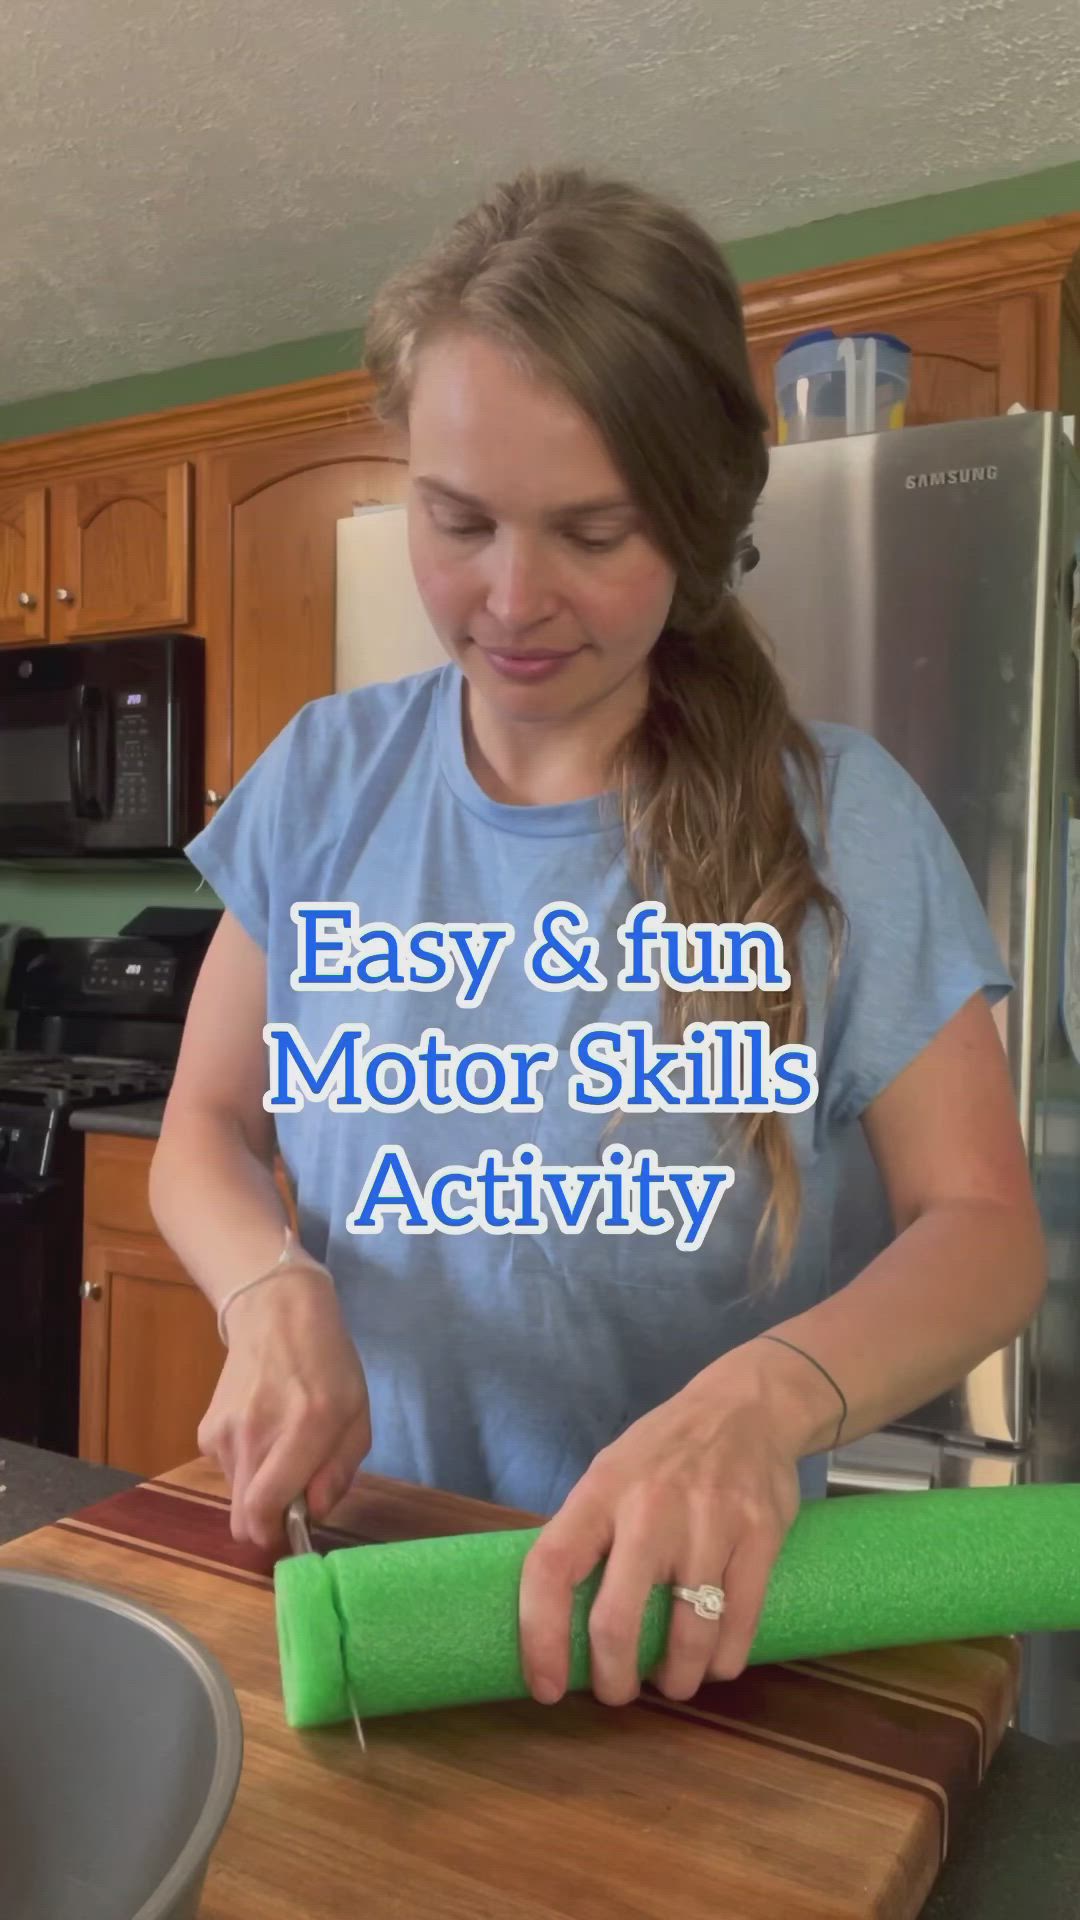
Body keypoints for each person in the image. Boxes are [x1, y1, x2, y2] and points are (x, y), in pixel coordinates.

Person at [149, 165, 1045, 1714]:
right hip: (377, 1589)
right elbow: (203, 1134)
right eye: (458, 520)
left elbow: (985, 1230)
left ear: (692, 532)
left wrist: (769, 1401)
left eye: (591, 531)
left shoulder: (846, 825)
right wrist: (266, 1288)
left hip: (690, 1624)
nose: (510, 598)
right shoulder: (322, 780)